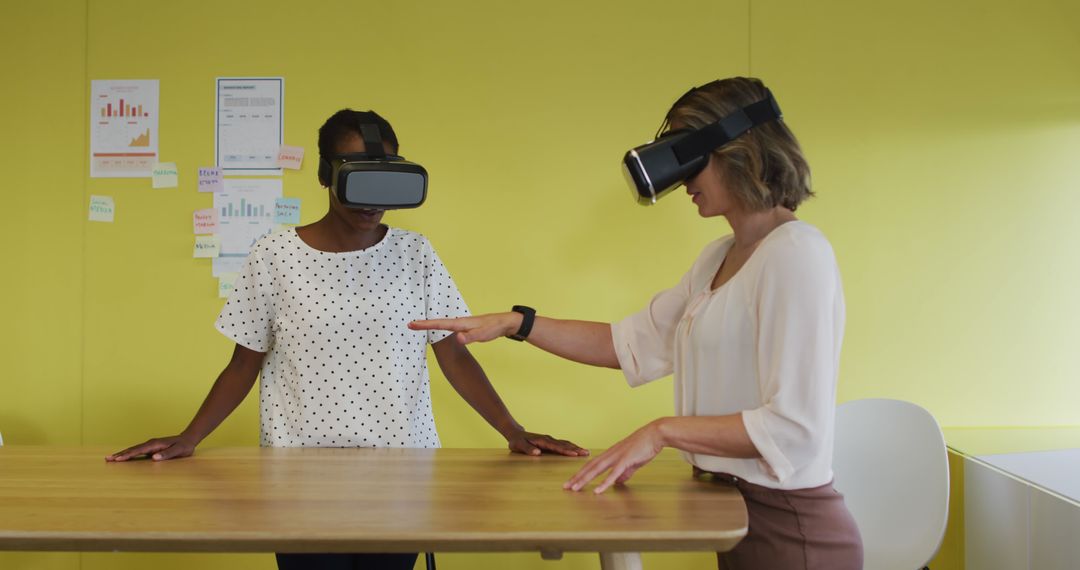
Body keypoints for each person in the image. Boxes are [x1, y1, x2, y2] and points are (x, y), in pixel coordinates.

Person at [409, 77, 863, 569]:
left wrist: (663, 432)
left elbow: (796, 427)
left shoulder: (797, 255)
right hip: (734, 512)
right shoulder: (719, 258)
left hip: (791, 529)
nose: (684, 182)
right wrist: (518, 324)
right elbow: (628, 343)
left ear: (736, 151)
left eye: (690, 162)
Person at [106, 109, 586, 570]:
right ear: (324, 174)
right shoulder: (274, 254)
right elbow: (243, 364)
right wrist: (189, 438)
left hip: (403, 471)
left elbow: (455, 359)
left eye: (385, 176)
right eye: (359, 177)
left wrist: (513, 431)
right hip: (298, 476)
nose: (372, 199)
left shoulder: (415, 254)